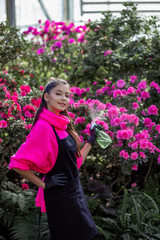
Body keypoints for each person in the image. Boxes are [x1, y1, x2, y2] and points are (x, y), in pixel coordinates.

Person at [9, 77, 99, 240]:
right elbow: (16, 163)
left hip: (75, 193)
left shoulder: (63, 124)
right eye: (58, 94)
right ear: (46, 96)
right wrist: (44, 184)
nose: (64, 99)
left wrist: (91, 142)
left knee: (89, 235)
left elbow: (75, 163)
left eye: (67, 95)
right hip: (60, 199)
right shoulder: (44, 127)